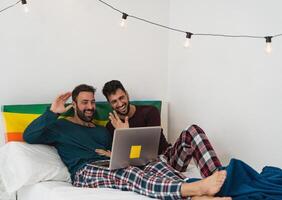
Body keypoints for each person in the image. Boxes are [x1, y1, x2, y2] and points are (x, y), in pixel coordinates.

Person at [23, 84, 231, 200]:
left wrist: (123, 138)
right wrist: (51, 112)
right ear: (74, 104)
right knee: (129, 173)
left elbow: (127, 155)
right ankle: (195, 190)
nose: (90, 107)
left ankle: (198, 194)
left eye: (93, 102)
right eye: (85, 102)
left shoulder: (101, 130)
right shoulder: (60, 126)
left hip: (110, 164)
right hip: (85, 171)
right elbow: (29, 136)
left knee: (155, 165)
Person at [101, 80, 222, 177]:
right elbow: (126, 159)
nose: (120, 103)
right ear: (110, 104)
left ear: (127, 94)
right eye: (114, 101)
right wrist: (121, 137)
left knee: (192, 130)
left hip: (167, 157)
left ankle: (217, 176)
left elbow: (150, 147)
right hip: (147, 167)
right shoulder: (111, 126)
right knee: (153, 168)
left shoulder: (149, 111)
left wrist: (126, 132)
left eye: (121, 97)